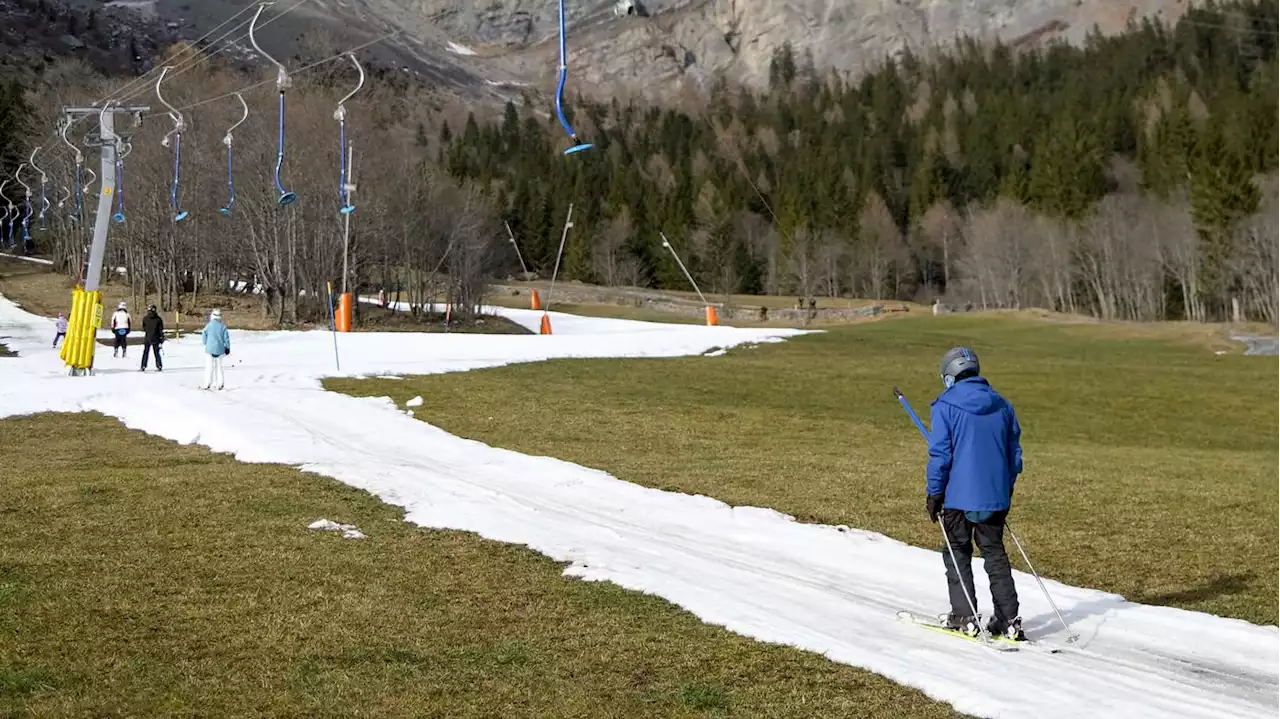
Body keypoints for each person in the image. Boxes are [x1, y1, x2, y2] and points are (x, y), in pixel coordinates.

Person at [926, 346, 1025, 641]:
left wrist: (934, 493)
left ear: (950, 376)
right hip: (994, 496)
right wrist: (1005, 491)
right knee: (995, 554)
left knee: (957, 551)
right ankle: (1009, 619)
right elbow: (1014, 456)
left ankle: (965, 615)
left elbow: (940, 455)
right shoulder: (1003, 405)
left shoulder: (944, 405)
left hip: (957, 497)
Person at [200, 308, 231, 390]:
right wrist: (227, 348)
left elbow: (204, 335)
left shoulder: (209, 325)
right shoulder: (223, 327)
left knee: (209, 367)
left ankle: (207, 383)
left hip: (209, 349)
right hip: (220, 350)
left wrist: (206, 343)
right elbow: (226, 338)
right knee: (219, 367)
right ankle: (220, 384)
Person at [140, 304, 165, 372]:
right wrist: (161, 338)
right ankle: (159, 365)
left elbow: (144, 327)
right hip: (156, 338)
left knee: (145, 352)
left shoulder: (145, 318)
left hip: (147, 337)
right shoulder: (158, 319)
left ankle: (143, 366)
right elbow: (161, 329)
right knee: (156, 353)